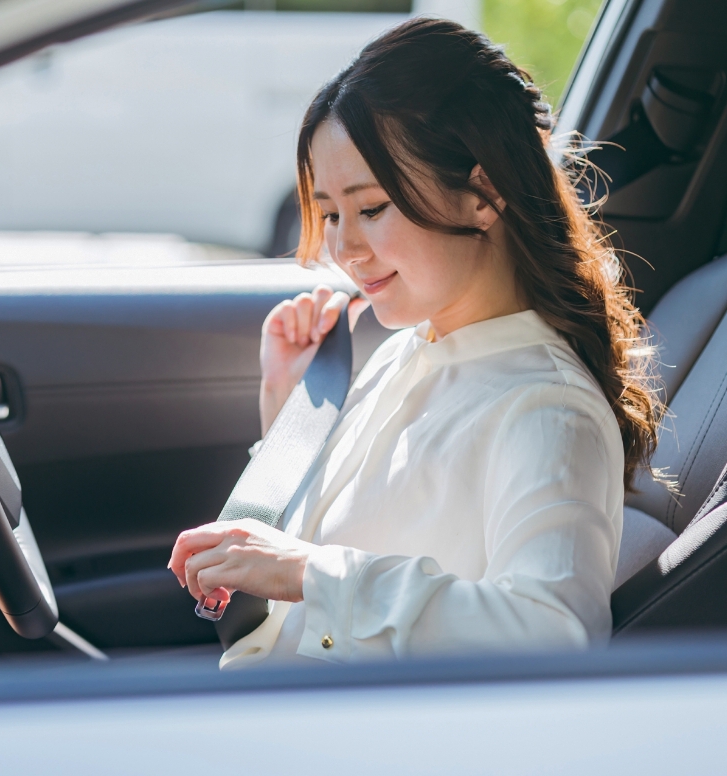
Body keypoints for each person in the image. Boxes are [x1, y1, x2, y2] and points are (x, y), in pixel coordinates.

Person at [168, 18, 660, 669]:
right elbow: (338, 548)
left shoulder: (544, 409)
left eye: (369, 208)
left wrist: (311, 571)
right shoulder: (407, 352)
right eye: (330, 213)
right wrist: (289, 408)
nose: (341, 248)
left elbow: (552, 635)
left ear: (482, 193)